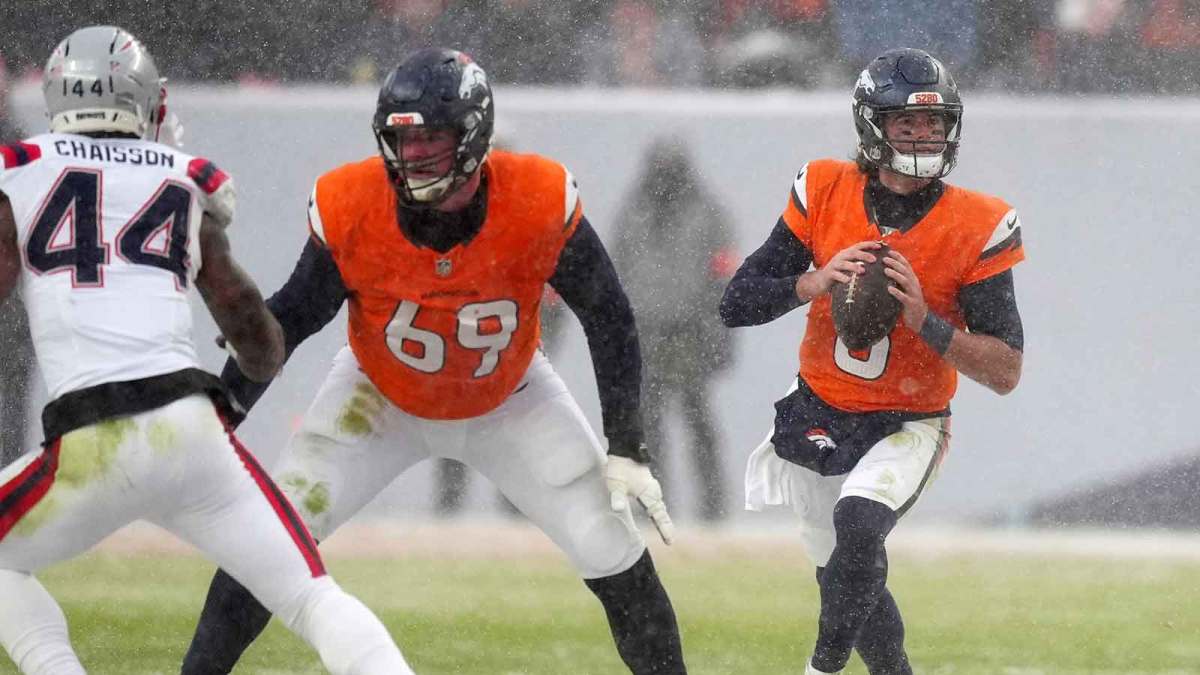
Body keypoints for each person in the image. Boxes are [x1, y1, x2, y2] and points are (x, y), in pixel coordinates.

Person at [180, 48, 686, 675]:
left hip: (511, 397)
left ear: (474, 136)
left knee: (614, 553)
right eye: (401, 139)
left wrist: (627, 443)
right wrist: (221, 414)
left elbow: (608, 315)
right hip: (377, 396)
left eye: (431, 139)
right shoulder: (353, 201)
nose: (412, 155)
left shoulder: (536, 198)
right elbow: (290, 319)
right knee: (266, 549)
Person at [0, 26, 412, 675]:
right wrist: (258, 354)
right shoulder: (182, 178)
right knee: (312, 594)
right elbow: (251, 327)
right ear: (143, 100)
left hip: (91, 437)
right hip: (193, 431)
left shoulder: (20, 171)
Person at [722, 48, 1025, 675]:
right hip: (820, 408)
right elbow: (735, 304)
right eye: (907, 124)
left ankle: (821, 669)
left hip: (908, 421)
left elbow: (1004, 371)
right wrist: (814, 281)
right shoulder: (826, 189)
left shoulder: (978, 223)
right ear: (872, 126)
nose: (924, 135)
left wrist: (925, 322)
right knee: (845, 572)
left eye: (935, 123)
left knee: (858, 526)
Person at [612, 137, 738, 522]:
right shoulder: (633, 213)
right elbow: (615, 273)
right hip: (646, 332)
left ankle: (712, 507)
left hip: (690, 332)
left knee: (697, 418)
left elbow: (724, 277)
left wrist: (718, 332)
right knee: (648, 426)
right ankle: (654, 504)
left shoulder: (708, 214)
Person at [0, 53, 33, 469]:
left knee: (8, 412)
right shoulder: (18, 149)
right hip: (11, 307)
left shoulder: (18, 149)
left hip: (9, 310)